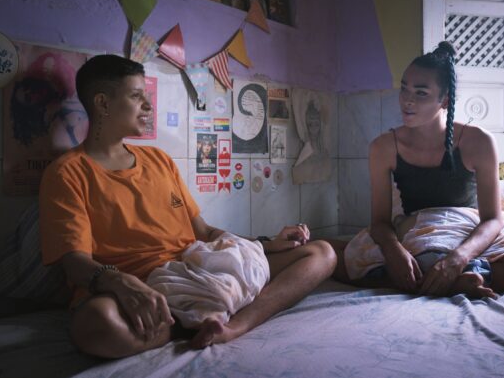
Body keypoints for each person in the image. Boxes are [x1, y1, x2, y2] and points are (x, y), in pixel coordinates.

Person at [39, 55, 336, 359]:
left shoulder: (158, 160)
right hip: (141, 287)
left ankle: (233, 325)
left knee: (321, 253)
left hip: (198, 270)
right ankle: (186, 321)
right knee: (94, 324)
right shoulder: (67, 173)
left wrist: (266, 244)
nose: (148, 106)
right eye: (137, 96)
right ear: (102, 103)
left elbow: (204, 232)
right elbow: (74, 262)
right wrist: (120, 282)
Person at [329, 41, 504, 298]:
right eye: (404, 89)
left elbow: (492, 219)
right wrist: (395, 252)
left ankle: (456, 273)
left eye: (421, 93)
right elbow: (380, 223)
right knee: (334, 259)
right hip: (415, 231)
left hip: (466, 231)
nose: (407, 100)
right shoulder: (383, 147)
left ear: (445, 100)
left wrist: (458, 258)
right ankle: (457, 282)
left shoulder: (479, 141)